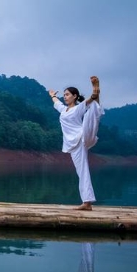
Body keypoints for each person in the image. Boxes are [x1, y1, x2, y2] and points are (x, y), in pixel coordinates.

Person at [48, 76, 103, 211]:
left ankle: (87, 202)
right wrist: (52, 96)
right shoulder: (63, 110)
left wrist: (94, 95)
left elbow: (87, 102)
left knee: (92, 110)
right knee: (81, 171)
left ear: (74, 96)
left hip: (82, 137)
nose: (65, 97)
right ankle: (87, 202)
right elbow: (57, 103)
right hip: (72, 144)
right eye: (64, 95)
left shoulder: (77, 108)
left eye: (67, 95)